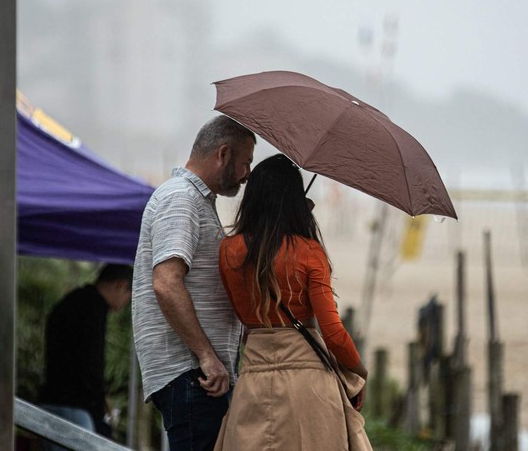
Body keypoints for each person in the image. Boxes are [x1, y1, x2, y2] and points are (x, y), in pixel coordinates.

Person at [214, 154, 369, 450]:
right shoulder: (309, 251)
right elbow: (333, 334)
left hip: (254, 381)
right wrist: (360, 372)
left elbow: (242, 318)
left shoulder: (228, 251)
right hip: (309, 388)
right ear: (296, 200)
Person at [132, 115, 256, 451]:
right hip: (191, 373)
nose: (246, 175)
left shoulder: (194, 200)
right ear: (223, 154)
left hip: (196, 374)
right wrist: (206, 356)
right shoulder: (181, 199)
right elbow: (166, 283)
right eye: (245, 162)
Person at [39, 263, 134, 447]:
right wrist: (98, 404)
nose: (125, 302)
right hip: (75, 405)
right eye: (128, 296)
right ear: (121, 286)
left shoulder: (74, 301)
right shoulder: (93, 308)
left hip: (53, 398)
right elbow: (91, 360)